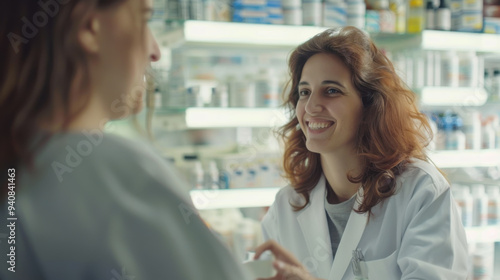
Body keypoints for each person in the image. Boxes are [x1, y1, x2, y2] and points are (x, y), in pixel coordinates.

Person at [0, 1, 250, 279]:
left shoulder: (19, 160)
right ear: (88, 27)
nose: (155, 51)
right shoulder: (109, 173)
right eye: (143, 19)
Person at [253, 26, 468, 280]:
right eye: (304, 92)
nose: (311, 106)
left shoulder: (421, 192)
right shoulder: (286, 206)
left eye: (331, 90)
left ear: (370, 104)